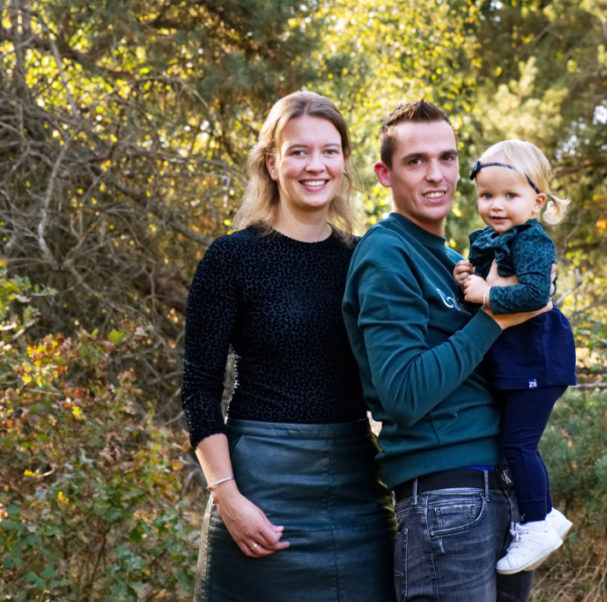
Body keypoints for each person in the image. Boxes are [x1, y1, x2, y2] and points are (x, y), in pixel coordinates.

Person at [181, 91, 395, 601]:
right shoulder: (231, 258)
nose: (314, 165)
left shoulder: (366, 258)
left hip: (358, 494)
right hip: (260, 492)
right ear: (272, 163)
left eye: (329, 150)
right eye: (298, 151)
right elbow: (198, 390)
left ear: (344, 162)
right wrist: (228, 497)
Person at [342, 100, 544, 601]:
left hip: (499, 490)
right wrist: (493, 318)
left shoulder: (459, 261)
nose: (437, 176)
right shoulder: (387, 254)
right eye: (416, 162)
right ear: (385, 175)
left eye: (448, 158)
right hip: (445, 498)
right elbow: (404, 392)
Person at [453, 140, 577, 575]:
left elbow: (533, 294)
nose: (496, 205)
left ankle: (537, 524)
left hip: (539, 356)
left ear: (537, 201)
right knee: (514, 442)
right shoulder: (495, 238)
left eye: (511, 195)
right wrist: (467, 275)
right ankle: (542, 512)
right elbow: (485, 285)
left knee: (519, 443)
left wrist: (487, 292)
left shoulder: (531, 240)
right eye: (487, 195)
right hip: (519, 358)